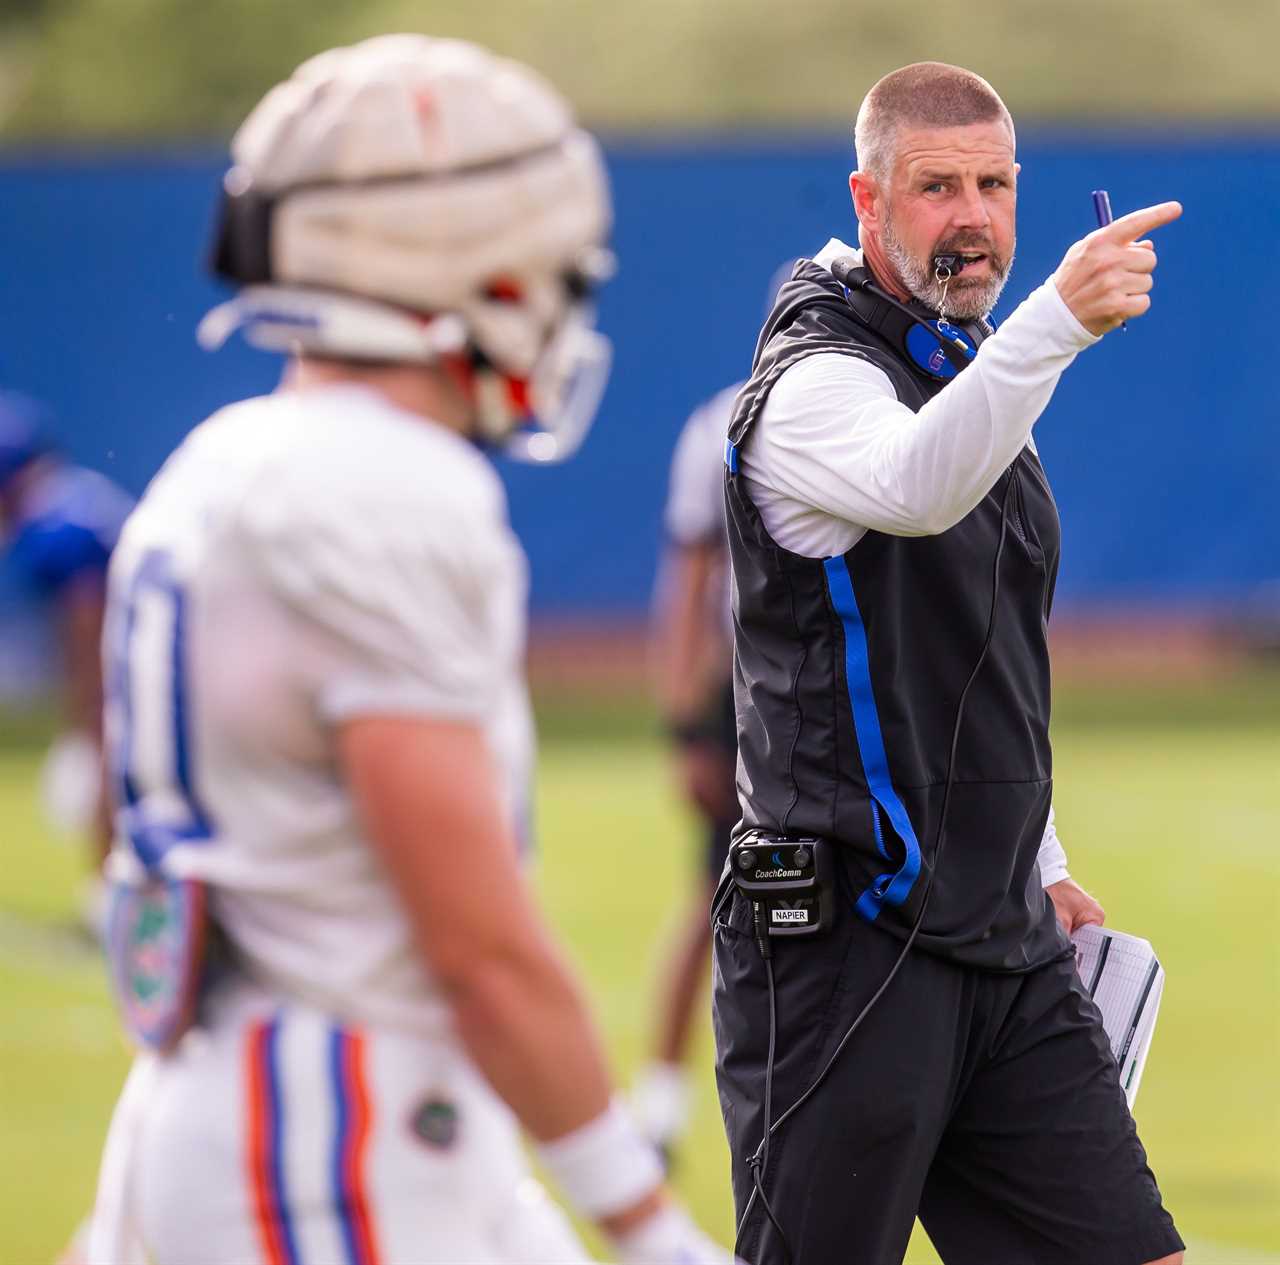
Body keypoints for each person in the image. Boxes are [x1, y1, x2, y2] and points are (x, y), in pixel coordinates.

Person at [86, 36, 737, 1265]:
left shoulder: (226, 456)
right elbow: (474, 942)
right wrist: (640, 1216)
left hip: (285, 1100)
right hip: (335, 1130)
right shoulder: (386, 491)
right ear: (480, 277)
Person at [712, 62, 1185, 1264]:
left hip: (1001, 933)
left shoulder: (954, 358)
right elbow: (914, 488)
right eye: (935, 187)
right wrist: (1060, 322)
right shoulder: (813, 378)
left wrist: (1039, 853)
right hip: (848, 941)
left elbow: (968, 649)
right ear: (867, 201)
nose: (971, 215)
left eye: (993, 183)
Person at [635, 379, 742, 1160]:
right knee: (713, 899)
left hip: (864, 695)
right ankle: (661, 1102)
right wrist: (686, 725)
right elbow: (690, 580)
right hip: (754, 696)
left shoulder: (899, 399)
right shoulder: (728, 422)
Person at [0, 393, 132, 867]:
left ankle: (113, 883)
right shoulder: (73, 494)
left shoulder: (53, 528)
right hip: (169, 644)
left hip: (143, 657)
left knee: (109, 759)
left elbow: (88, 628)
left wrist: (85, 717)